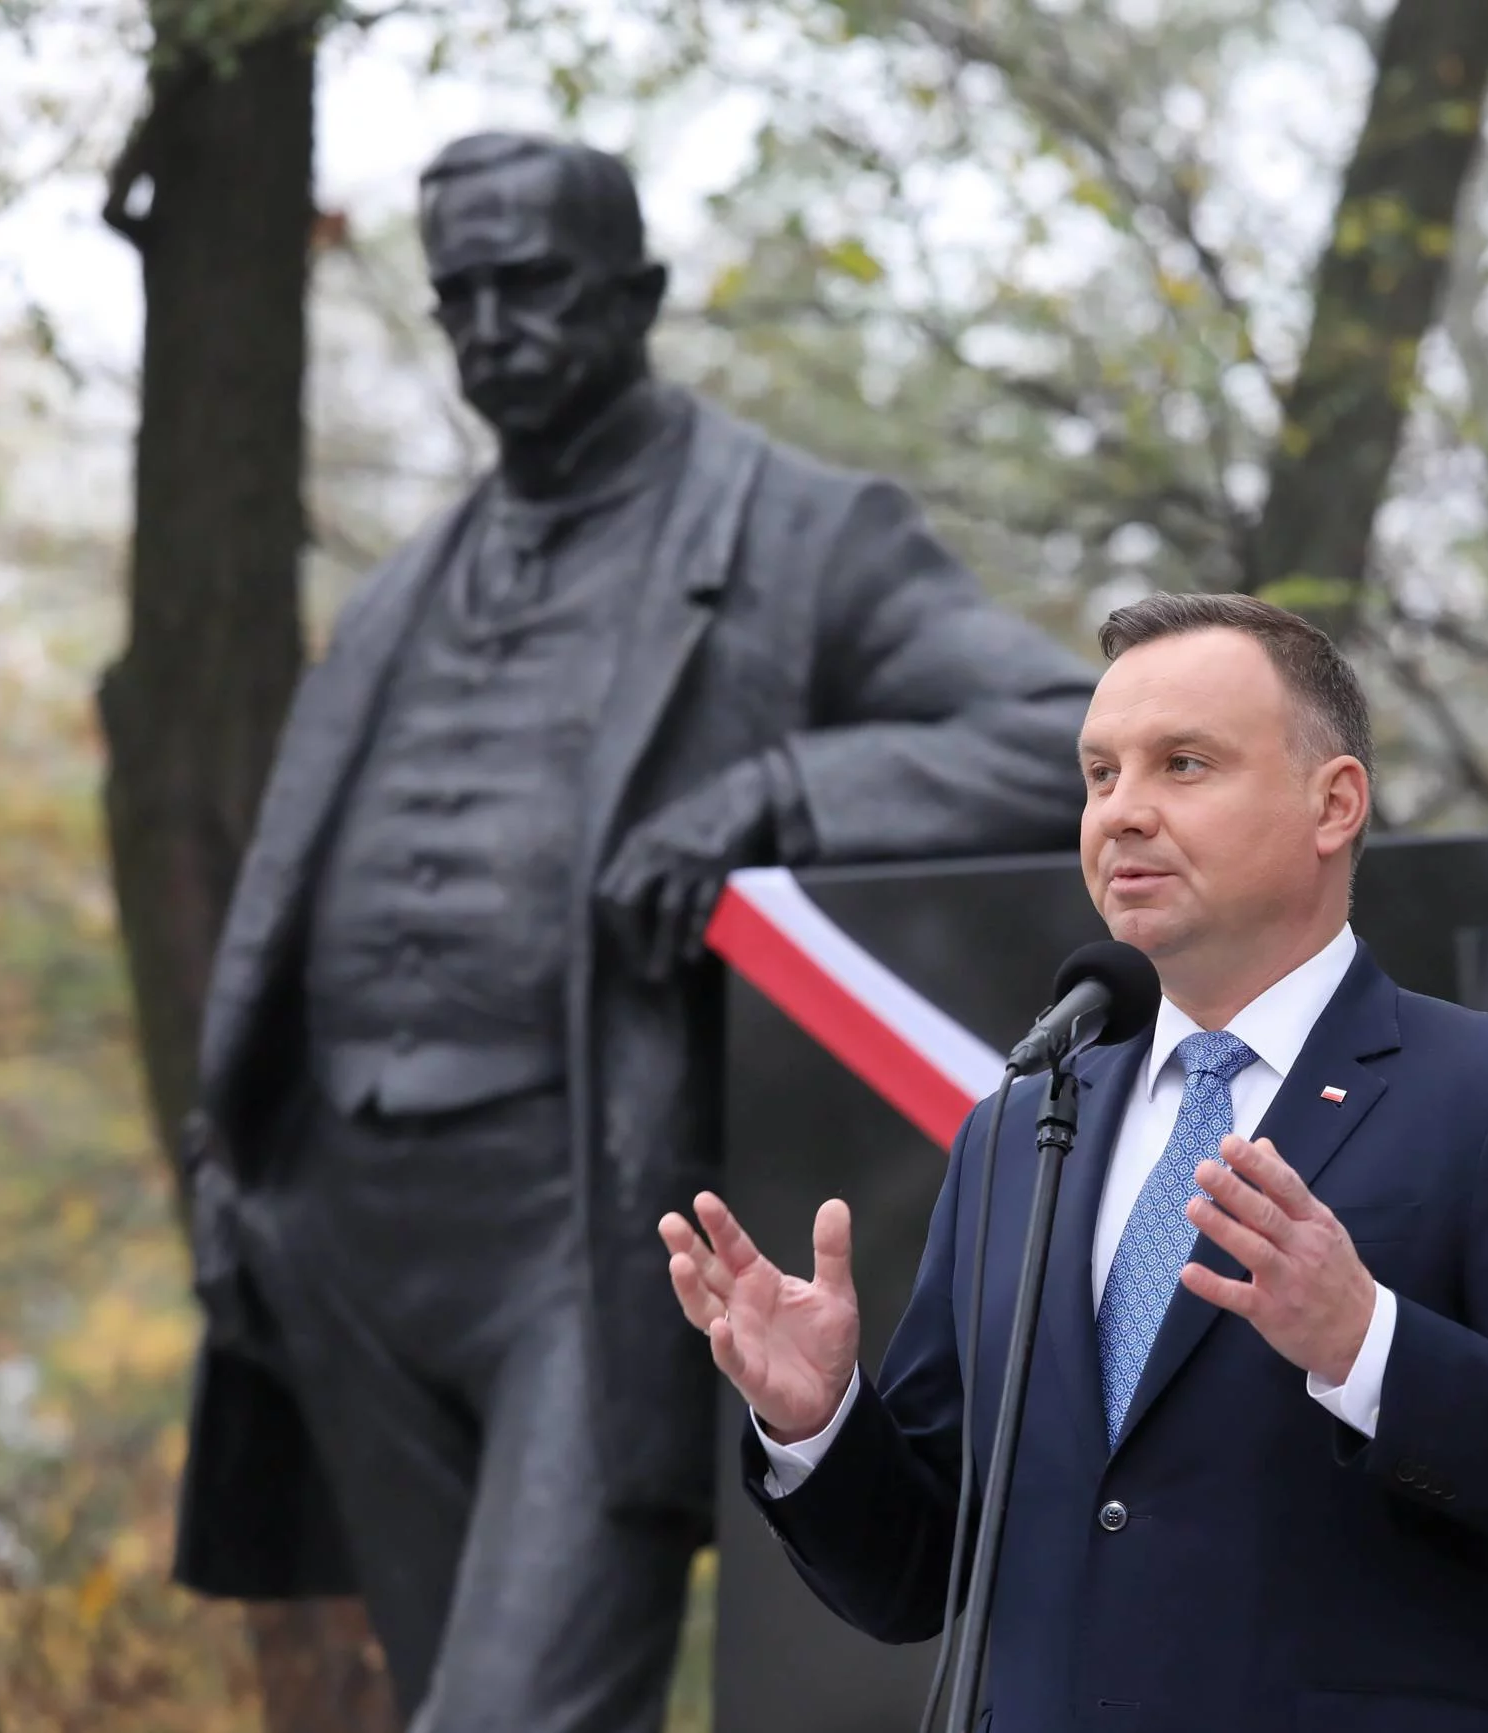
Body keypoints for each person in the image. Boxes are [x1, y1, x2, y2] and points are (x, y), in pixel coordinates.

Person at [170, 132, 1093, 1733]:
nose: (487, 328)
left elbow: (1059, 729)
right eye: (457, 292)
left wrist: (785, 791)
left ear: (640, 294)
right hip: (349, 1242)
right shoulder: (403, 592)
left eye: (530, 284)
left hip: (585, 1236)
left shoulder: (800, 540)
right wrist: (238, 1172)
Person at [660, 593, 1488, 1731]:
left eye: (1183, 764)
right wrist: (818, 1423)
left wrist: (1369, 1344)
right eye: (1099, 773)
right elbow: (917, 1574)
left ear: (1333, 803)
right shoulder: (1022, 1124)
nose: (1123, 813)